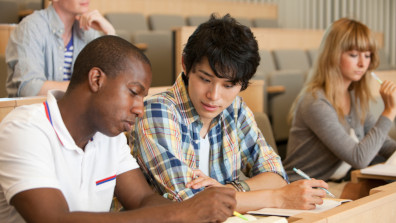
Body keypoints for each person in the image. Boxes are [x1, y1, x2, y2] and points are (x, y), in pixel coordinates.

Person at [0, 35, 237, 223]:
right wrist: (183, 214)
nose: (139, 109)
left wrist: (195, 215)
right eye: (134, 92)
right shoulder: (24, 129)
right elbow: (53, 219)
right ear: (96, 79)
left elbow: (144, 199)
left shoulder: (109, 137)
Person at [130, 14, 328, 213]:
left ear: (242, 83)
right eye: (205, 79)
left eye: (229, 85)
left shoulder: (235, 109)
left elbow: (276, 174)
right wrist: (278, 199)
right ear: (185, 65)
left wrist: (229, 189)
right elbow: (192, 204)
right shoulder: (158, 112)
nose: (214, 96)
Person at [283, 18, 396, 183]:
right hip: (304, 188)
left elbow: (383, 144)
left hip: (334, 186)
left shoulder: (354, 98)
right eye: (353, 55)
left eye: (367, 55)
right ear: (333, 55)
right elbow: (359, 158)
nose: (362, 63)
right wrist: (389, 111)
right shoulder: (315, 102)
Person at [6, 0, 115, 97]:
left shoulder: (87, 30)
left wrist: (110, 33)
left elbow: (112, 79)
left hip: (72, 116)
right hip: (35, 116)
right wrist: (86, 86)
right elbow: (30, 89)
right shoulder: (30, 28)